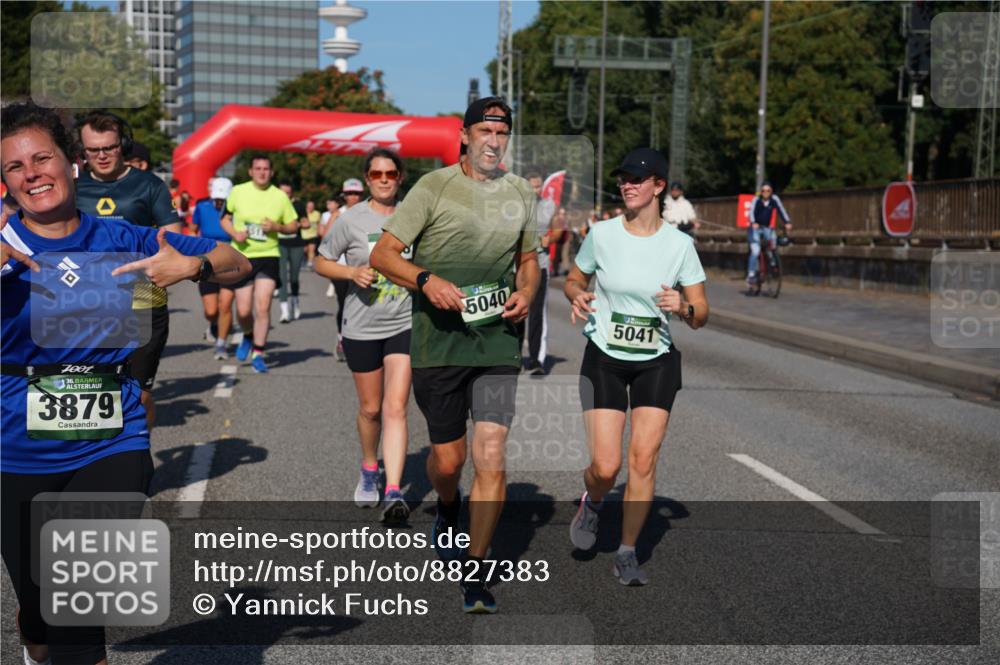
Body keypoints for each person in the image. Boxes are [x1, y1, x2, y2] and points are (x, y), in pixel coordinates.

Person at [1, 101, 248, 665]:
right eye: (16, 167)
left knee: (77, 609)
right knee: (40, 612)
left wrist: (195, 267)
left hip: (112, 438)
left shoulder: (128, 237)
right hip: (14, 445)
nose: (32, 173)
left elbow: (237, 262)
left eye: (43, 158)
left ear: (71, 163)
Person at [371, 96, 539, 614]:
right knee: (449, 461)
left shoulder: (520, 193)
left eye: (502, 133)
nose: (494, 140)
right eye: (485, 131)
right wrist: (426, 280)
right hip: (438, 341)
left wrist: (528, 293)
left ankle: (476, 569)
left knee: (490, 456)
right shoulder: (433, 187)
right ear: (464, 135)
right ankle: (448, 504)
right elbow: (383, 255)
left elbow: (528, 261)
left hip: (496, 341)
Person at [563, 147, 708, 586]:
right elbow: (575, 276)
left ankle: (627, 552)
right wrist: (577, 295)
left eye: (637, 179)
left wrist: (682, 306)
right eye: (623, 178)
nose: (627, 184)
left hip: (656, 361)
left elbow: (701, 314)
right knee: (607, 467)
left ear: (658, 186)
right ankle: (592, 501)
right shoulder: (603, 234)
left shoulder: (680, 245)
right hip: (605, 355)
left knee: (643, 460)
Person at [316, 149, 413, 524]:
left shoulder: (413, 215)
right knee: (371, 409)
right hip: (361, 325)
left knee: (396, 407)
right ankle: (370, 467)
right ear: (367, 178)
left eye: (391, 173)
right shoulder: (350, 219)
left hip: (404, 321)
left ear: (400, 177)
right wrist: (350, 274)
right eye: (377, 174)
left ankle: (394, 490)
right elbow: (322, 260)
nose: (384, 179)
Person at [74, 110, 182, 430]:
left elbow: (172, 238)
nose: (102, 155)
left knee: (139, 397)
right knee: (91, 395)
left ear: (124, 144)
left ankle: (139, 458)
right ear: (82, 151)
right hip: (87, 302)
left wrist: (159, 258)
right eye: (93, 150)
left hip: (143, 299)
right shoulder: (71, 187)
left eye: (109, 147)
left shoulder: (149, 185)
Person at [218, 155, 300, 373]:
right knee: (244, 311)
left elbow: (294, 225)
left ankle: (259, 353)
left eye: (266, 169)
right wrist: (235, 233)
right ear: (251, 171)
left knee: (262, 306)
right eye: (258, 168)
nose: (262, 172)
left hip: (269, 255)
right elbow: (224, 218)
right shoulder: (238, 191)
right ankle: (247, 334)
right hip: (242, 256)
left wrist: (277, 226)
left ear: (271, 173)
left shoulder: (280, 196)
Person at [191, 176, 234, 358]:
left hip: (230, 261)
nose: (219, 203)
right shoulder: (202, 207)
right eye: (216, 199)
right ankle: (213, 324)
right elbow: (193, 229)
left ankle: (221, 344)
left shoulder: (235, 210)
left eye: (222, 200)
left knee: (225, 305)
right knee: (211, 310)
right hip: (206, 260)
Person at [523, 170, 555, 375]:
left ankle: (536, 360)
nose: (536, 189)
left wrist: (550, 239)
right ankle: (512, 357)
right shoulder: (513, 206)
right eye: (532, 185)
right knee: (513, 313)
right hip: (517, 265)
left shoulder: (549, 205)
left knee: (536, 314)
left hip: (540, 264)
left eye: (538, 185)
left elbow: (557, 229)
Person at [330, 179, 365, 361]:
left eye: (356, 193)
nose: (353, 197)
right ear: (344, 195)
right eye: (350, 194)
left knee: (364, 305)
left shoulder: (368, 211)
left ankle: (361, 340)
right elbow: (325, 239)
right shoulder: (339, 213)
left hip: (364, 268)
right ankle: (341, 338)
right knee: (345, 304)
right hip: (341, 268)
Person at [746, 181, 792, 291]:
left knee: (773, 240)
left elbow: (781, 210)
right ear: (760, 192)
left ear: (771, 191)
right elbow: (751, 212)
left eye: (768, 190)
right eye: (763, 191)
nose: (765, 193)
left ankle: (772, 261)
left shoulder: (774, 199)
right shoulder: (756, 199)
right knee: (756, 250)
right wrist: (753, 222)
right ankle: (751, 274)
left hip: (766, 227)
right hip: (755, 227)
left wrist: (787, 222)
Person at [277, 182, 308, 323]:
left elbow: (306, 222)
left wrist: (298, 225)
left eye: (288, 193)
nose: (285, 195)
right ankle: (284, 311)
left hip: (296, 244)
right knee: (282, 277)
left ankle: (295, 302)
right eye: (282, 192)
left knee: (294, 277)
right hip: (279, 244)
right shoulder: (273, 204)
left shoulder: (299, 205)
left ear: (292, 193)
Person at [319, 196, 341, 298]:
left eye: (330, 203)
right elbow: (322, 231)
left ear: (337, 204)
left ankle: (335, 284)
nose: (329, 206)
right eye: (327, 204)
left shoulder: (343, 212)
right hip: (329, 244)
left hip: (340, 243)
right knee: (331, 265)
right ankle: (333, 283)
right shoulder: (325, 215)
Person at [302, 199, 321, 269]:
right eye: (309, 206)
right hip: (304, 235)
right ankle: (304, 260)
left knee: (311, 249)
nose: (310, 207)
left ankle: (310, 263)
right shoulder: (303, 213)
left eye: (312, 206)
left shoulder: (317, 213)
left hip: (313, 235)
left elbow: (319, 223)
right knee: (305, 250)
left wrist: (319, 231)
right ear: (306, 206)